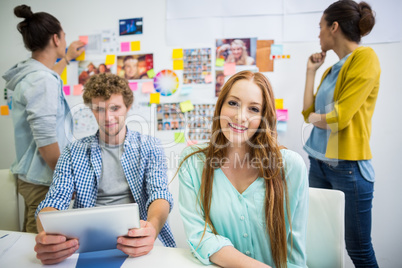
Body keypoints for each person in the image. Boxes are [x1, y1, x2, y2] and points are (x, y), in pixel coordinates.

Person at [34, 73, 176, 265]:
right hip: (88, 244)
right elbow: (55, 199)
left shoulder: (150, 146)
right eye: (99, 109)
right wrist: (47, 235)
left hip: (136, 240)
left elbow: (159, 193)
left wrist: (151, 228)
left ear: (128, 107)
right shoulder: (73, 151)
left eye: (115, 108)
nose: (107, 117)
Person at [178, 70, 308, 267]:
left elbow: (294, 251)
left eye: (254, 109)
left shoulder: (290, 166)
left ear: (264, 117)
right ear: (220, 106)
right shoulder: (193, 163)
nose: (240, 116)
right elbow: (200, 237)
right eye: (233, 103)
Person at [301, 1, 380, 267]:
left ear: (334, 27)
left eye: (320, 27)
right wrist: (311, 71)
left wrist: (314, 119)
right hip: (318, 164)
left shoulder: (364, 58)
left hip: (349, 169)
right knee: (318, 240)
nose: (318, 34)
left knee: (358, 249)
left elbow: (339, 119)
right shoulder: (330, 70)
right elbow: (307, 112)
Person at [2, 5, 84, 233]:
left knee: (36, 243)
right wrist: (66, 179)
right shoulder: (42, 80)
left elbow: (48, 79)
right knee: (39, 247)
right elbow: (46, 139)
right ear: (56, 38)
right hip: (42, 179)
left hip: (34, 177)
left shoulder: (34, 75)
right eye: (64, 35)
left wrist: (67, 58)